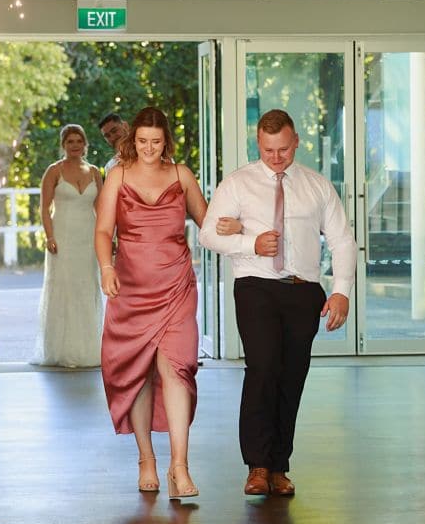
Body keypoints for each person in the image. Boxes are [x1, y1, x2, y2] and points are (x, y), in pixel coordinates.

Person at [198, 109, 357, 497]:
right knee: (264, 366)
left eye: (283, 149)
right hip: (256, 285)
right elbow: (207, 235)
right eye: (268, 150)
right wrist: (248, 243)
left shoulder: (317, 186)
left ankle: (280, 466)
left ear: (296, 141)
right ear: (259, 143)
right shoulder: (237, 184)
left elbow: (341, 240)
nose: (276, 157)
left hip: (304, 291)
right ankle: (257, 465)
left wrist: (342, 290)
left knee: (292, 377)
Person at [94, 106, 239, 498]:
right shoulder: (118, 176)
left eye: (156, 142)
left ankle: (180, 465)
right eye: (142, 141)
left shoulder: (181, 175)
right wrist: (106, 268)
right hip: (131, 289)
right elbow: (105, 228)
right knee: (139, 373)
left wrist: (233, 227)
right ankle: (146, 458)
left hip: (176, 286)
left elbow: (207, 223)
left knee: (178, 370)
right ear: (132, 139)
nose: (148, 148)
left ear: (166, 141)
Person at [33, 124, 104, 368]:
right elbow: (44, 208)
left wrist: (108, 237)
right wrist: (50, 236)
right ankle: (62, 350)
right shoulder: (54, 171)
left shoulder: (94, 171)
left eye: (79, 141)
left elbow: (102, 209)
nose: (75, 145)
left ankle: (88, 349)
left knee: (87, 286)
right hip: (62, 235)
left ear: (85, 144)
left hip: (88, 236)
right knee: (64, 288)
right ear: (63, 145)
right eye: (70, 141)